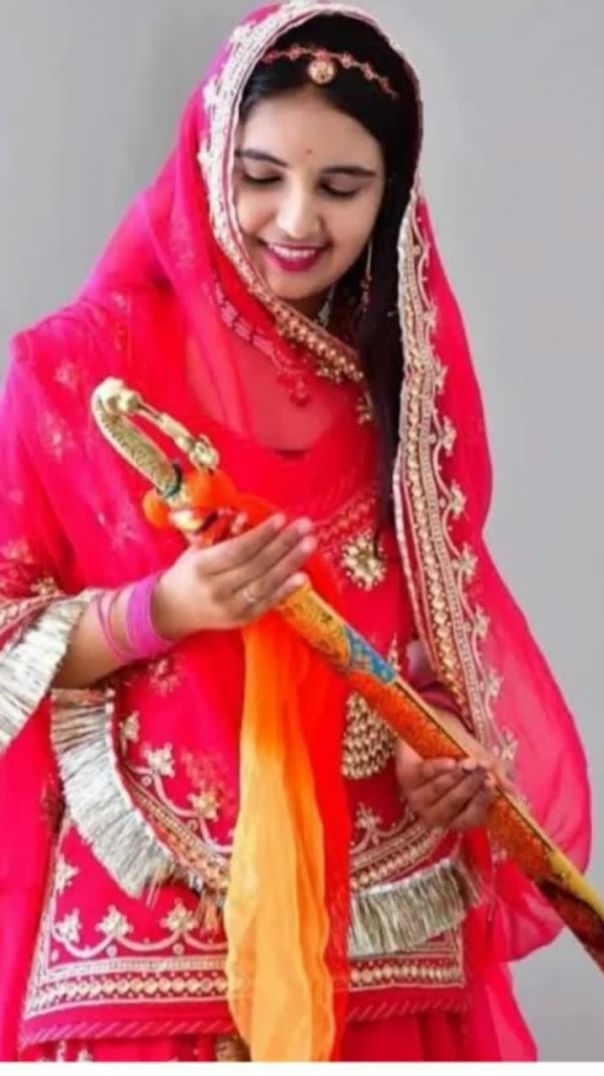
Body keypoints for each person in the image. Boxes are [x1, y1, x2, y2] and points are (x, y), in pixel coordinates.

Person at [0, 1, 591, 1063]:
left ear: (392, 196)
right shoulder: (80, 371)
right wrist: (161, 608)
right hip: (151, 925)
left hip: (377, 928)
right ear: (206, 161)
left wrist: (434, 750)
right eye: (261, 175)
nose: (295, 218)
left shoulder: (401, 401)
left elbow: (426, 646)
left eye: (342, 186)